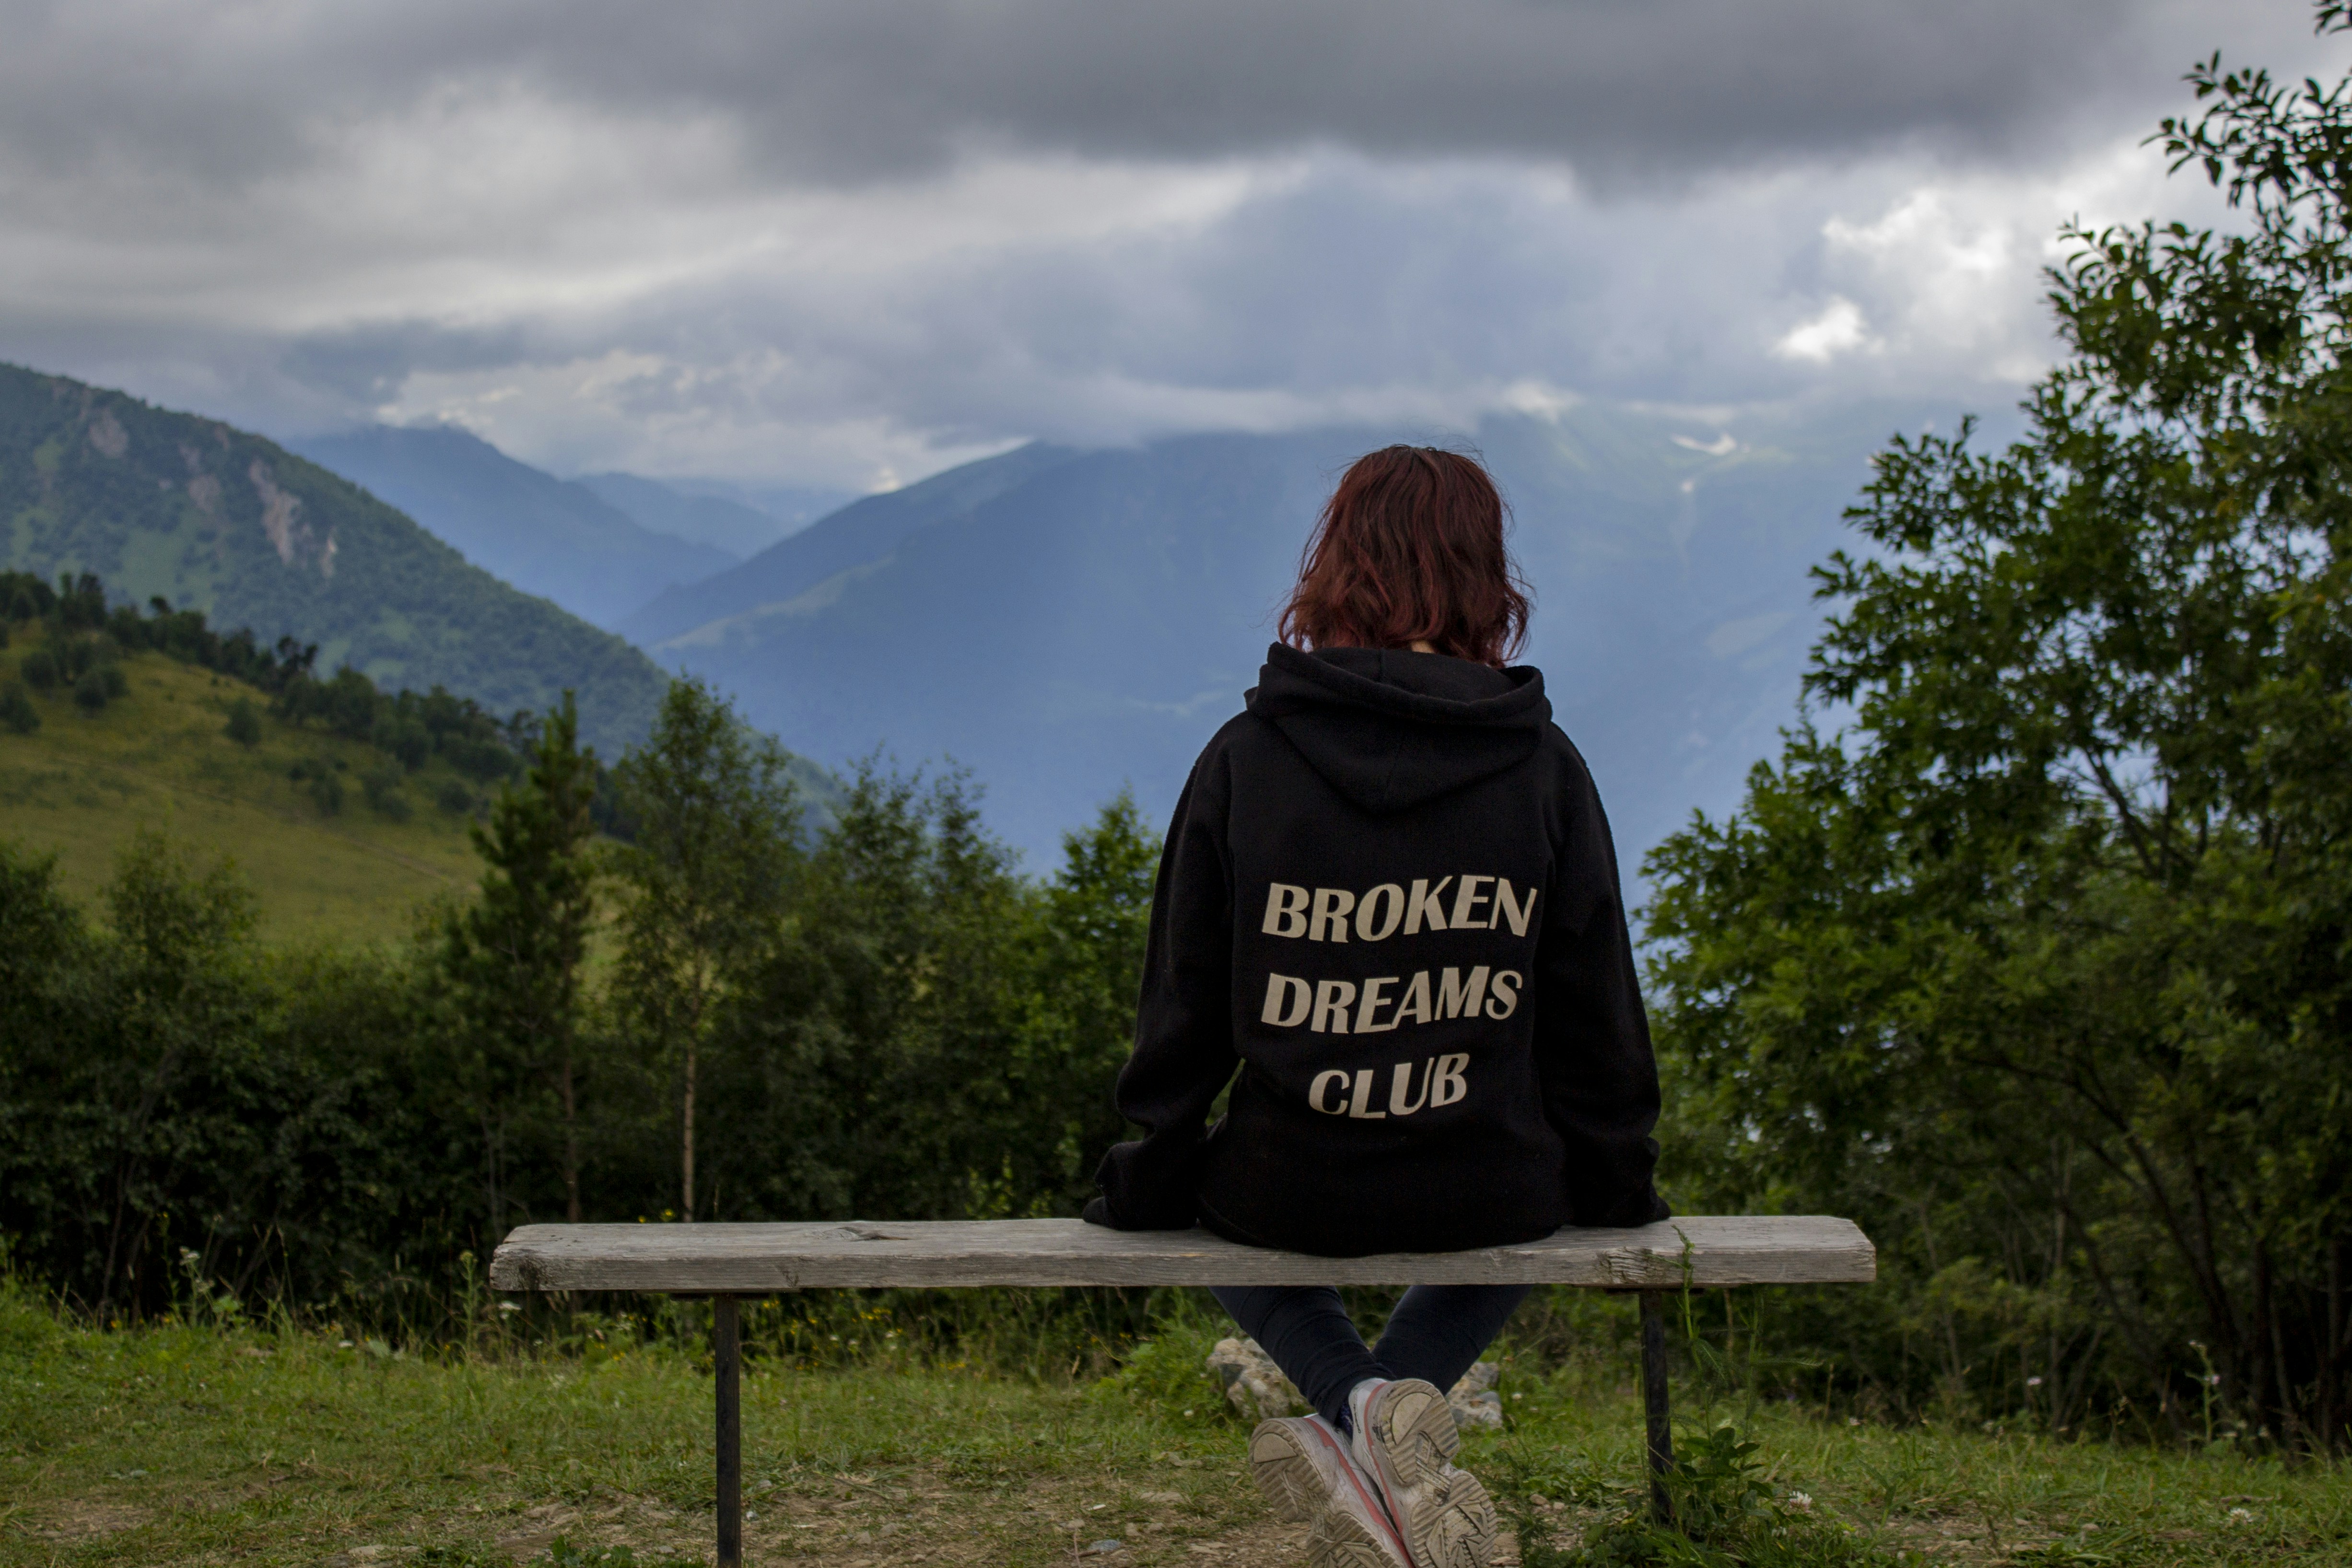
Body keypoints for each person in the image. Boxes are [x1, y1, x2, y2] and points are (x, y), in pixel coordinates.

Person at [1081, 445, 1669, 1568]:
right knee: (1521, 1197)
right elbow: (1595, 1009)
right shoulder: (1542, 766)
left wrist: (1149, 1168)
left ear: (1335, 566)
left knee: (1208, 1207)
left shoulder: (1246, 758)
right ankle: (1384, 1424)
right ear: (1485, 579)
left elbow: (1186, 1001)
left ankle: (1352, 1410)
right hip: (1484, 1178)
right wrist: (1614, 1179)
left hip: (1288, 1182)